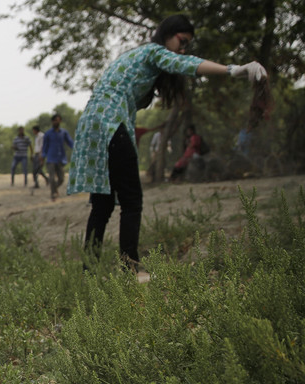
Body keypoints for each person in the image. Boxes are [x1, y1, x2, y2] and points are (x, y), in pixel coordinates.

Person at [67, 14, 267, 266]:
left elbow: (162, 76)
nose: (182, 49)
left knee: (103, 203)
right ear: (167, 34)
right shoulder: (153, 51)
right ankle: (130, 268)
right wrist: (233, 70)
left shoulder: (138, 59)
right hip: (110, 122)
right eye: (181, 41)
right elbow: (184, 63)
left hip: (91, 124)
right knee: (132, 200)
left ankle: (89, 270)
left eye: (186, 45)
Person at [41, 113, 73, 200]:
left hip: (60, 158)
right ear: (52, 122)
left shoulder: (64, 132)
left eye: (58, 120)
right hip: (51, 158)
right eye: (55, 120)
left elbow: (70, 142)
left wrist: (76, 149)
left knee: (61, 179)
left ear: (60, 121)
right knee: (51, 178)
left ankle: (54, 189)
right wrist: (43, 157)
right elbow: (45, 146)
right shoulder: (48, 134)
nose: (56, 122)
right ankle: (53, 193)